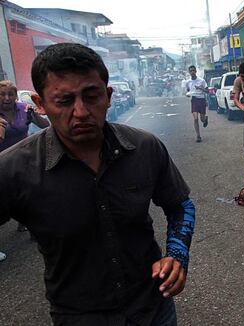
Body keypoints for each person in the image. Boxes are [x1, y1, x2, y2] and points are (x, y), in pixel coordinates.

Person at [0, 43, 195, 326]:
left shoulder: (145, 148)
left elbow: (180, 205)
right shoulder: (14, 168)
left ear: (109, 96)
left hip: (154, 309)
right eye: (64, 101)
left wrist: (177, 255)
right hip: (79, 317)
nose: (81, 112)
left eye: (91, 96)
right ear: (39, 104)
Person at [0, 80, 49, 236]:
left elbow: (45, 125)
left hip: (24, 157)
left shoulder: (23, 109)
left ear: (16, 96)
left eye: (11, 94)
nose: (7, 98)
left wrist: (34, 114)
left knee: (30, 191)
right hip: (2, 161)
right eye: (2, 94)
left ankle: (27, 223)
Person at [186, 65, 208, 142]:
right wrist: (188, 94)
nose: (192, 72)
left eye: (193, 70)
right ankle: (198, 136)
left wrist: (200, 88)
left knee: (202, 119)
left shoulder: (201, 81)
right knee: (195, 119)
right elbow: (188, 90)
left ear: (196, 71)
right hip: (194, 100)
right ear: (189, 72)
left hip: (201, 100)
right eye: (190, 71)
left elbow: (207, 91)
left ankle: (205, 119)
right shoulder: (188, 82)